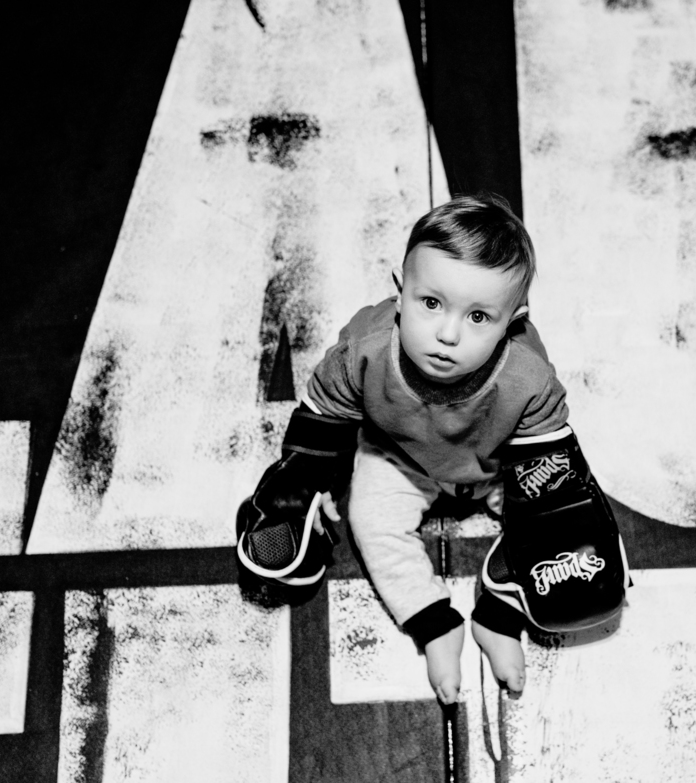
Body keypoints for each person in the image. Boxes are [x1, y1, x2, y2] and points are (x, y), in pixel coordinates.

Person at [236, 193, 627, 705]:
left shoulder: (529, 377)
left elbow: (549, 483)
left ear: (515, 319)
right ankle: (434, 624)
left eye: (479, 317)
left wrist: (553, 526)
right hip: (400, 457)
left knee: (571, 553)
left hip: (496, 465)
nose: (447, 334)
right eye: (432, 303)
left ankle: (499, 615)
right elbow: (322, 420)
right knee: (369, 517)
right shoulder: (365, 349)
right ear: (400, 290)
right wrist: (312, 482)